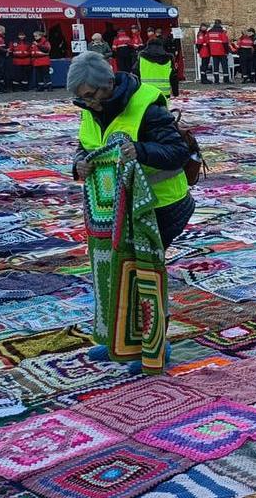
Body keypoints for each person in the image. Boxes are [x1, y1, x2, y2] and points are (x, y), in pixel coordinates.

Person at [68, 51, 193, 374]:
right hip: (115, 209)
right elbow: (86, 145)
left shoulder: (146, 105)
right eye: (82, 100)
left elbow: (178, 152)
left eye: (92, 97)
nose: (89, 104)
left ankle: (154, 345)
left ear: (108, 84)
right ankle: (118, 340)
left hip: (161, 206)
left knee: (145, 275)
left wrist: (140, 151)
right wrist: (78, 164)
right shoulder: (88, 109)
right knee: (114, 272)